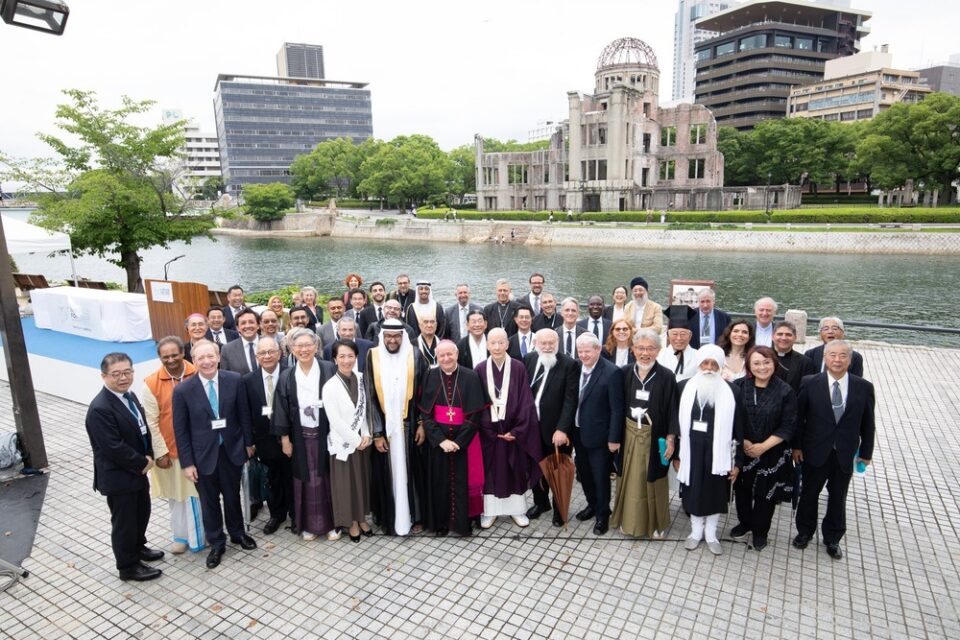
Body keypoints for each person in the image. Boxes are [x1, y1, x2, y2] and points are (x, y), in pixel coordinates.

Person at [172, 340, 256, 569]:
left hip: (231, 451)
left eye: (211, 356)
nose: (207, 361)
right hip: (202, 457)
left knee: (232, 496)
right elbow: (181, 430)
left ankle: (238, 533)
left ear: (218, 357)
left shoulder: (234, 380)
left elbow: (244, 414)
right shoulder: (183, 390)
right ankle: (217, 542)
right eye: (201, 358)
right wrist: (187, 463)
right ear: (194, 361)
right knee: (209, 502)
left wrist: (248, 443)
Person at [793, 340, 875, 560]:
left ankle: (832, 537)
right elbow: (799, 419)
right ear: (825, 358)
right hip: (814, 450)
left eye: (842, 356)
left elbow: (868, 423)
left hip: (844, 452)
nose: (837, 360)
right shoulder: (810, 383)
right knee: (809, 494)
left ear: (850, 359)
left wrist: (866, 453)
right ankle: (804, 532)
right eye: (832, 355)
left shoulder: (863, 387)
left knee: (838, 497)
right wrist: (797, 446)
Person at [86, 352, 164, 581]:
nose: (123, 378)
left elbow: (142, 429)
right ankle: (127, 566)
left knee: (141, 513)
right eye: (116, 374)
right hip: (120, 477)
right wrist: (143, 462)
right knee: (125, 522)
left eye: (127, 372)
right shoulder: (100, 408)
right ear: (103, 376)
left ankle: (138, 548)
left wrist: (149, 453)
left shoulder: (128, 397)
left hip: (137, 472)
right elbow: (112, 447)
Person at [668, 344, 744, 556]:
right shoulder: (683, 386)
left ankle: (711, 534)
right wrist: (676, 455)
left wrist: (737, 462)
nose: (709, 368)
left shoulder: (732, 391)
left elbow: (739, 429)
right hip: (690, 453)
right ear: (698, 364)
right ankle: (695, 532)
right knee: (693, 493)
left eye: (714, 364)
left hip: (718, 455)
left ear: (720, 366)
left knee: (714, 494)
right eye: (705, 363)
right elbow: (674, 423)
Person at [271, 328, 338, 541]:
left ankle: (332, 524)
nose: (304, 349)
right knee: (305, 480)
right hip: (301, 436)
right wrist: (284, 439)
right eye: (299, 346)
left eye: (308, 345)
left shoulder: (329, 369)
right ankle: (308, 525)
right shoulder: (287, 376)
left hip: (327, 433)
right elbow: (280, 407)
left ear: (316, 347)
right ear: (291, 349)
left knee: (327, 478)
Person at [611, 329, 678, 539]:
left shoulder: (667, 376)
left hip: (653, 435)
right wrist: (614, 437)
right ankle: (627, 520)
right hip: (629, 434)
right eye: (640, 348)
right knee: (629, 479)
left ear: (658, 351)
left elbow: (673, 410)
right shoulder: (624, 373)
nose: (645, 353)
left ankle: (655, 524)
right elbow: (616, 406)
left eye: (650, 348)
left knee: (653, 479)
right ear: (633, 350)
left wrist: (670, 438)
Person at [141, 337, 204, 554]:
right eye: (165, 356)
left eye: (174, 355)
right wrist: (161, 452)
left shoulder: (197, 372)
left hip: (198, 449)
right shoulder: (151, 383)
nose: (170, 360)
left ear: (182, 353)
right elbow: (151, 421)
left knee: (197, 494)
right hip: (169, 451)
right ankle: (181, 536)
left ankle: (201, 536)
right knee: (176, 497)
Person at [730, 346, 797, 551]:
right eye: (756, 363)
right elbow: (731, 418)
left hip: (772, 451)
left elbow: (788, 425)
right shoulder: (738, 386)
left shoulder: (785, 390)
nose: (762, 367)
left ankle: (761, 531)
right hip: (744, 449)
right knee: (742, 489)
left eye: (766, 362)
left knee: (765, 494)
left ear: (774, 363)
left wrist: (763, 447)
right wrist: (746, 442)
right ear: (749, 365)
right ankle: (745, 522)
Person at [475, 329, 542, 529]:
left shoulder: (518, 367)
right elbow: (477, 402)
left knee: (516, 470)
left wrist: (517, 430)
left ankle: (517, 510)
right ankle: (489, 511)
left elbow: (526, 401)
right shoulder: (479, 369)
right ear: (487, 345)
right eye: (493, 343)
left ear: (507, 344)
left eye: (500, 342)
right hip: (491, 433)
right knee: (491, 472)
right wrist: (489, 430)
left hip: (513, 431)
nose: (497, 347)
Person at [366, 319, 427, 535]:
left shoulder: (415, 356)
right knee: (387, 473)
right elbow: (370, 395)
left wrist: (422, 424)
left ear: (403, 336)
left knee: (413, 473)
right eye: (388, 336)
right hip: (386, 430)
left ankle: (416, 516)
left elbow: (423, 393)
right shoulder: (372, 357)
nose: (392, 340)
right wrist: (377, 433)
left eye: (396, 336)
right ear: (382, 336)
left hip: (409, 426)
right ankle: (388, 518)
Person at [419, 340, 486, 536]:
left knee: (462, 483)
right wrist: (441, 440)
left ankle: (462, 523)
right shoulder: (430, 375)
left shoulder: (471, 376)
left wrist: (458, 442)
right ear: (437, 357)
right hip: (438, 443)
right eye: (442, 355)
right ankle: (441, 524)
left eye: (450, 354)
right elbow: (425, 414)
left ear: (457, 355)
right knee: (439, 483)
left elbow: (475, 415)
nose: (446, 359)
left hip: (462, 443)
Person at [524, 329, 579, 526]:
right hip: (533, 428)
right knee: (536, 469)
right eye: (543, 343)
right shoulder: (529, 359)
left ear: (557, 343)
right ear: (536, 343)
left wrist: (562, 429)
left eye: (551, 343)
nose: (547, 347)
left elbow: (571, 399)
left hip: (557, 431)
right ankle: (541, 503)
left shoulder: (569, 365)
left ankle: (559, 509)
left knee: (559, 472)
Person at [572, 333, 625, 536]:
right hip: (578, 433)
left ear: (597, 350)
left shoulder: (611, 373)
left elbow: (617, 409)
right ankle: (592, 504)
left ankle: (603, 513)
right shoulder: (575, 368)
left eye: (587, 351)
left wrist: (614, 439)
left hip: (600, 437)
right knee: (584, 474)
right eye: (580, 351)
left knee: (600, 477)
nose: (583, 355)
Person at [241, 337, 294, 536]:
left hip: (289, 437)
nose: (267, 356)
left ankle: (295, 513)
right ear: (256, 357)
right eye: (262, 353)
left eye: (271, 352)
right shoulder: (247, 380)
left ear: (279, 354)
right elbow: (245, 413)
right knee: (272, 478)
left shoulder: (291, 375)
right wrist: (249, 441)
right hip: (264, 439)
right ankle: (277, 514)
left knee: (291, 476)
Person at [322, 340, 374, 542]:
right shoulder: (330, 386)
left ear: (356, 357)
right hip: (344, 444)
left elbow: (366, 410)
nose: (346, 360)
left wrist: (367, 434)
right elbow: (334, 420)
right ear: (334, 359)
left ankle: (362, 518)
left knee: (362, 482)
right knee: (347, 485)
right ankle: (351, 522)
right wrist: (355, 439)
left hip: (362, 441)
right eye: (341, 356)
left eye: (350, 356)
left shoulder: (361, 378)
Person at [658, 305, 700, 381]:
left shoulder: (698, 356)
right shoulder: (660, 355)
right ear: (668, 335)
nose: (679, 338)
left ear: (690, 335)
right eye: (674, 334)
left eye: (683, 334)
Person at [772, 320, 816, 393]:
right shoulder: (762, 357)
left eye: (788, 335)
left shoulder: (806, 362)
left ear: (795, 338)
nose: (784, 338)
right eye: (780, 334)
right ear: (773, 337)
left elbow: (808, 390)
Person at [219, 308, 260, 375]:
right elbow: (225, 376)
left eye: (251, 322)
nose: (247, 326)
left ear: (258, 325)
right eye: (243, 323)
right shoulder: (227, 349)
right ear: (238, 328)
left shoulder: (271, 344)